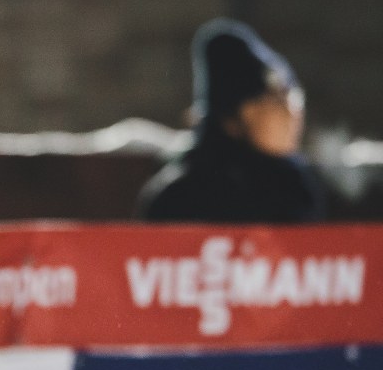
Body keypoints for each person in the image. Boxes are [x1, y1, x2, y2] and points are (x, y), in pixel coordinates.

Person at [135, 17, 327, 223]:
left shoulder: (296, 187)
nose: (291, 113)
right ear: (231, 120)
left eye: (292, 96)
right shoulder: (179, 198)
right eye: (273, 100)